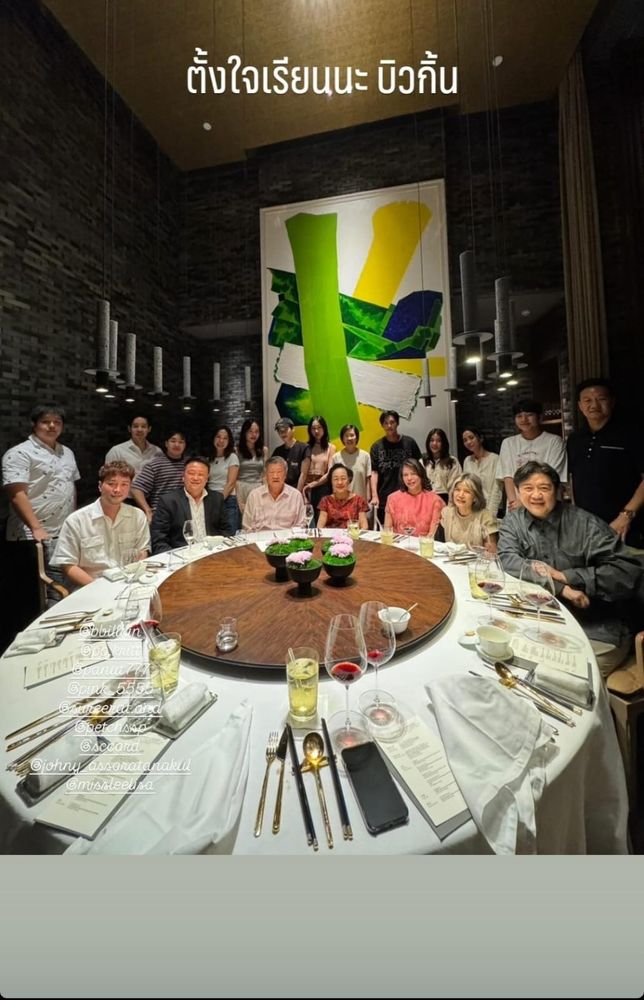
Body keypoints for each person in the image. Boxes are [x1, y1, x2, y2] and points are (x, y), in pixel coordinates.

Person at [497, 461, 643, 677]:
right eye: (528, 488)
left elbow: (627, 571)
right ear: (517, 491)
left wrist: (567, 576)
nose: (536, 495)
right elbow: (509, 560)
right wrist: (562, 588)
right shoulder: (514, 522)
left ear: (558, 491)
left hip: (595, 628)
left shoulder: (584, 524)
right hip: (545, 623)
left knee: (566, 677)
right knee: (508, 659)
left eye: (544, 488)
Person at [2, 404, 80, 599]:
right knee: (34, 593)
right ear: (34, 424)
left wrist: (74, 520)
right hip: (31, 535)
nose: (52, 426)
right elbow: (16, 494)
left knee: (61, 587)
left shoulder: (67, 452)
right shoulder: (19, 453)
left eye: (57, 422)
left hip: (62, 531)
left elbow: (70, 487)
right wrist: (36, 527)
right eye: (45, 422)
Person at [567, 378, 644, 546]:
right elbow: (574, 478)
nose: (594, 405)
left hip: (624, 526)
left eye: (601, 399)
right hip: (586, 527)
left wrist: (626, 515)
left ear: (612, 402)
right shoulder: (575, 439)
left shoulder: (632, 434)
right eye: (587, 400)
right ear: (580, 405)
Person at [51, 461, 149, 588]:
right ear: (100, 486)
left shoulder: (138, 516)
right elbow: (68, 565)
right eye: (111, 484)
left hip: (128, 583)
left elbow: (142, 551)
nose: (117, 490)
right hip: (90, 587)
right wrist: (98, 588)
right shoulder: (76, 520)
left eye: (124, 484)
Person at [498, 399, 567, 512]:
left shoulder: (554, 441)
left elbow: (553, 476)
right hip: (516, 507)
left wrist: (525, 502)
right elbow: (508, 476)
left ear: (539, 417)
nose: (524, 419)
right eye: (519, 416)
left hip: (546, 505)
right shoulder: (508, 443)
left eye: (529, 415)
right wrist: (514, 503)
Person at [151, 456, 230, 553]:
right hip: (182, 555)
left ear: (207, 479)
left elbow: (226, 531)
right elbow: (159, 540)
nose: (195, 478)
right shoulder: (168, 501)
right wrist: (176, 558)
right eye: (191, 473)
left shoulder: (217, 499)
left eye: (201, 474)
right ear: (183, 477)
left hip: (212, 553)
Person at [370, 410, 422, 525]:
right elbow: (374, 473)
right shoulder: (376, 447)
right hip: (384, 498)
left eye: (392, 422)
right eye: (386, 423)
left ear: (397, 423)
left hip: (408, 495)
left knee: (408, 528)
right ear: (382, 425)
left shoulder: (409, 442)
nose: (389, 426)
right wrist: (374, 496)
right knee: (386, 530)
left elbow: (419, 467)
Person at [131, 430, 187, 522]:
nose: (177, 445)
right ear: (166, 444)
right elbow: (136, 488)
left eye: (181, 442)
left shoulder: (190, 465)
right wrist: (147, 510)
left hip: (185, 514)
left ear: (185, 445)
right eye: (173, 441)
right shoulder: (155, 464)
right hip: (161, 514)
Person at [384, 459, 444, 536]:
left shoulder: (435, 500)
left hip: (424, 542)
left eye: (413, 474)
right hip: (397, 542)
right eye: (405, 475)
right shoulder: (392, 498)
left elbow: (432, 535)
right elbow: (387, 530)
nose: (409, 478)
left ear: (421, 474)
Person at [242, 456, 305, 531]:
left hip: (287, 537)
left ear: (285, 474)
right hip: (260, 537)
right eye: (271, 472)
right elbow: (247, 526)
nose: (275, 476)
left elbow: (300, 526)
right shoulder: (254, 496)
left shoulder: (296, 496)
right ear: (266, 475)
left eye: (279, 472)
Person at [440, 473, 498, 552]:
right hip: (449, 558)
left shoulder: (485, 517)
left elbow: (491, 552)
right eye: (457, 490)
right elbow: (438, 546)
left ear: (475, 497)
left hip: (477, 559)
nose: (460, 495)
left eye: (467, 491)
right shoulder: (447, 513)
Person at [461, 426, 502, 516]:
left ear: (480, 438)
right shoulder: (467, 461)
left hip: (492, 509)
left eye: (471, 438)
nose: (468, 442)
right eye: (465, 440)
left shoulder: (495, 459)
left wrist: (490, 513)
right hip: (473, 509)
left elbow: (497, 488)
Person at [302, 415, 336, 521]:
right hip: (306, 487)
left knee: (321, 519)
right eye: (313, 428)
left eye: (319, 427)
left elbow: (330, 472)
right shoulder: (306, 447)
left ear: (324, 428)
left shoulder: (331, 448)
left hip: (323, 487)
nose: (316, 431)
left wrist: (315, 484)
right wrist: (305, 487)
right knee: (306, 520)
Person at [317, 464, 369, 531]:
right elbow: (320, 527)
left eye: (343, 478)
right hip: (331, 536)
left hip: (352, 535)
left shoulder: (359, 500)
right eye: (336, 479)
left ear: (349, 480)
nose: (340, 482)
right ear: (331, 482)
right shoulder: (325, 501)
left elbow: (364, 526)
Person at [208, 425, 240, 533]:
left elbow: (231, 483)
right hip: (210, 501)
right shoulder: (209, 459)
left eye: (225, 438)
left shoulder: (232, 457)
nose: (221, 441)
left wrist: (218, 501)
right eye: (218, 437)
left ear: (229, 441)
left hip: (227, 501)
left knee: (229, 536)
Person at [235, 418, 269, 516]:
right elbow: (234, 478)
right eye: (250, 431)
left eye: (256, 432)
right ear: (244, 432)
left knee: (258, 519)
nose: (254, 434)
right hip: (241, 488)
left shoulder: (264, 450)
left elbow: (265, 475)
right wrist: (239, 500)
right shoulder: (237, 450)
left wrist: (266, 492)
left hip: (258, 487)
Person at [331, 424, 372, 502]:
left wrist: (368, 498)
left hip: (360, 501)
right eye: (346, 436)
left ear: (357, 437)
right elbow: (333, 481)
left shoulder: (365, 456)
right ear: (342, 439)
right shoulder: (336, 457)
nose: (349, 438)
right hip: (342, 502)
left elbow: (368, 479)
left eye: (352, 435)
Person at [423, 428, 462, 503]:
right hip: (426, 500)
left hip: (446, 500)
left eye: (439, 441)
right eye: (432, 440)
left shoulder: (452, 461)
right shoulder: (422, 461)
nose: (435, 443)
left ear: (444, 443)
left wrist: (450, 506)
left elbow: (455, 486)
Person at [271, 417, 310, 491]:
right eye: (279, 430)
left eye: (285, 429)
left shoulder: (304, 448)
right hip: (280, 491)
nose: (282, 433)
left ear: (293, 429)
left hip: (297, 490)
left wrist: (297, 493)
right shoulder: (277, 451)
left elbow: (303, 474)